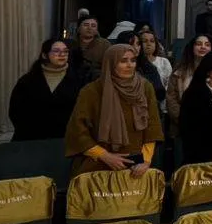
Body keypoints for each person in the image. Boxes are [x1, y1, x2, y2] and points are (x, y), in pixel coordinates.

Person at [64, 44, 163, 177]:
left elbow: (153, 128)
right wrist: (104, 155)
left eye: (133, 60)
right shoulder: (91, 91)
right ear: (110, 64)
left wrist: (145, 160)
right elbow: (78, 131)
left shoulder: (145, 88)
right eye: (123, 61)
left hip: (136, 167)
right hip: (98, 167)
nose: (130, 65)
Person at [9, 38, 84, 141]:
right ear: (44, 55)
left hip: (66, 138)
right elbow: (15, 111)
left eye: (65, 51)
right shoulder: (27, 81)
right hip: (31, 138)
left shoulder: (79, 80)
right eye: (56, 51)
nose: (62, 54)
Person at [166, 34, 212, 136]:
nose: (203, 47)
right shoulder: (178, 72)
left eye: (207, 45)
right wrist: (185, 120)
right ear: (192, 48)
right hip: (183, 126)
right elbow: (171, 100)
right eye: (199, 44)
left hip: (211, 127)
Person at [114, 31, 165, 103]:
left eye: (138, 44)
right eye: (131, 44)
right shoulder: (114, 66)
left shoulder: (148, 66)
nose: (136, 47)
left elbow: (160, 93)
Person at [139, 28, 174, 96]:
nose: (149, 44)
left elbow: (169, 84)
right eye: (145, 41)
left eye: (152, 41)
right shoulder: (135, 63)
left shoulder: (164, 62)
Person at [74, 15, 109, 81]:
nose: (89, 28)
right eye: (86, 25)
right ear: (78, 28)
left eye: (93, 26)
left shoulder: (105, 44)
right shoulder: (72, 43)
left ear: (96, 30)